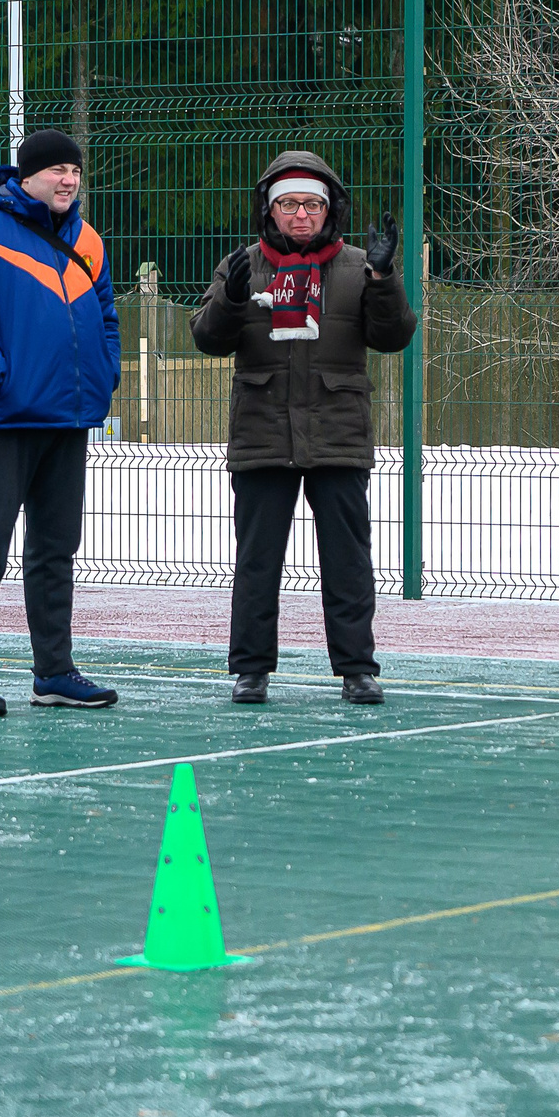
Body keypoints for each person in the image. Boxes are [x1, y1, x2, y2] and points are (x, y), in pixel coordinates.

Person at [192, 151, 415, 705]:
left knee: (348, 560)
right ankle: (250, 669)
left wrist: (384, 278)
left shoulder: (362, 267)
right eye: (288, 204)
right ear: (270, 210)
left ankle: (358, 668)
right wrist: (232, 298)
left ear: (329, 208)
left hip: (337, 434)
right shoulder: (241, 265)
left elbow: (394, 336)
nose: (299, 215)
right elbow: (207, 338)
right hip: (262, 434)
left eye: (311, 204)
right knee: (257, 560)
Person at [0, 128, 122, 717]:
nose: (68, 180)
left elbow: (107, 317)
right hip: (3, 421)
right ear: (26, 176)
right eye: (57, 170)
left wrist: (104, 377)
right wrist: (0, 381)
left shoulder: (88, 241)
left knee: (54, 552)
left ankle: (55, 672)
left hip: (67, 420)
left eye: (76, 171)